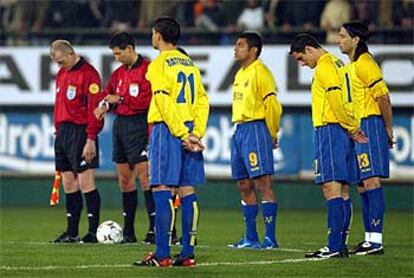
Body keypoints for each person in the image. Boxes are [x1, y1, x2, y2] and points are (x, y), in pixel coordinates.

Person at [134, 16, 209, 267]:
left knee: (162, 188)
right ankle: (187, 254)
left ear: (158, 35)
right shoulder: (190, 64)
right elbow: (202, 101)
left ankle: (163, 254)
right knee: (188, 190)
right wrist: (196, 132)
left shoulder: (158, 64)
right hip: (189, 130)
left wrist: (179, 132)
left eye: (153, 33)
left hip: (168, 130)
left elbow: (164, 101)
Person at [289, 34, 367, 258]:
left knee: (330, 187)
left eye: (301, 58)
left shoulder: (324, 66)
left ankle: (333, 246)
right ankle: (339, 245)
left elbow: (335, 100)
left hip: (330, 130)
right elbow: (350, 98)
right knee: (342, 189)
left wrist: (350, 127)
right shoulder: (338, 62)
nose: (303, 64)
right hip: (342, 129)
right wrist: (352, 125)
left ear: (309, 49)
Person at [93, 32, 155, 244]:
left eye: (119, 53)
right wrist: (103, 106)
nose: (117, 57)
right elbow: (108, 96)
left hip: (139, 123)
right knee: (124, 179)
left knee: (145, 178)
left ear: (130, 48)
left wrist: (119, 98)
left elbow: (146, 102)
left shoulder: (148, 70)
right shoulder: (118, 73)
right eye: (114, 54)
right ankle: (128, 232)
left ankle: (153, 229)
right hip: (120, 126)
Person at [338, 21, 393, 255]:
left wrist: (387, 129)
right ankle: (370, 237)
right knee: (361, 185)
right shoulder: (352, 66)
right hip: (357, 126)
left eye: (342, 36)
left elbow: (383, 97)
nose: (339, 40)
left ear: (356, 39)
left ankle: (376, 240)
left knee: (371, 181)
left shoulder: (365, 63)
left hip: (370, 124)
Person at [228, 32, 282, 250]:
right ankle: (250, 237)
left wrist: (272, 131)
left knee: (263, 184)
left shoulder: (261, 72)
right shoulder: (240, 73)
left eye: (240, 45)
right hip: (239, 130)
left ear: (253, 51)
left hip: (256, 129)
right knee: (243, 184)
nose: (235, 48)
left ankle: (270, 239)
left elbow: (273, 105)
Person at [50, 40, 104, 243]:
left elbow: (94, 110)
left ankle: (92, 232)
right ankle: (71, 232)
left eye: (62, 61)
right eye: (57, 63)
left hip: (81, 132)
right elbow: (59, 105)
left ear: (71, 54)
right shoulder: (62, 73)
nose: (60, 66)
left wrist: (91, 138)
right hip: (63, 133)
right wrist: (58, 131)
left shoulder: (89, 74)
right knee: (68, 183)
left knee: (86, 181)